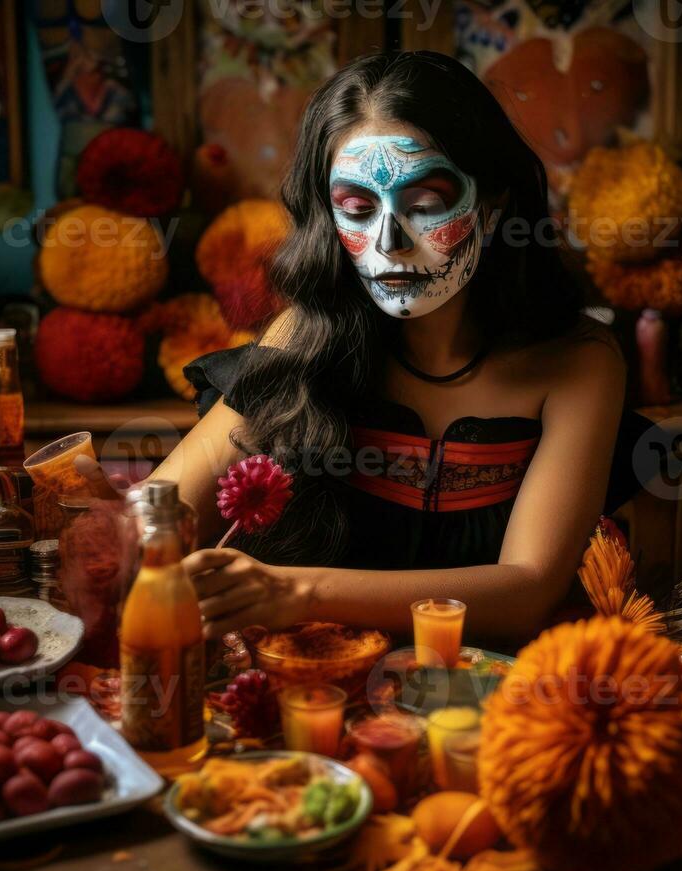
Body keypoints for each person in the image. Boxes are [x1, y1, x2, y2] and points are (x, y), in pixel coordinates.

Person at [148, 51, 643, 643]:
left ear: (492, 207)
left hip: (498, 705)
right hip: (324, 691)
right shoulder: (302, 340)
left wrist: (292, 593)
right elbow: (162, 513)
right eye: (356, 209)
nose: (388, 241)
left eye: (426, 205)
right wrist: (117, 527)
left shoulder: (579, 362)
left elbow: (526, 590)